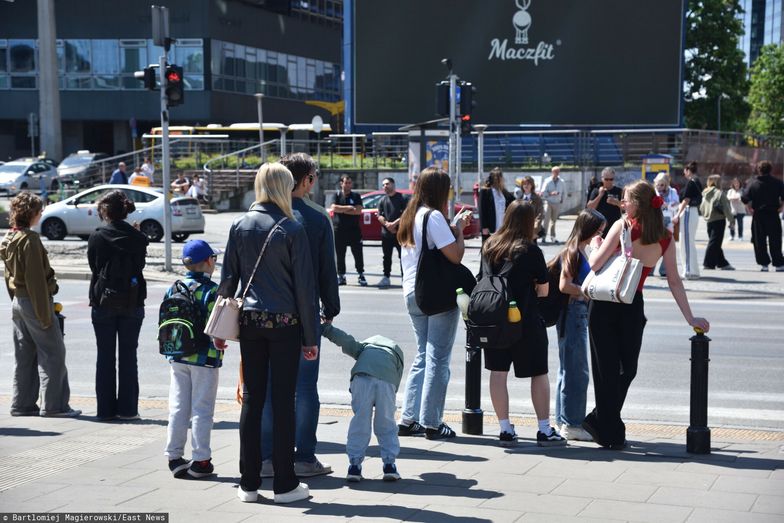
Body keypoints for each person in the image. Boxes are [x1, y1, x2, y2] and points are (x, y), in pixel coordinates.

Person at [583, 180, 710, 449]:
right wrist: (690, 318)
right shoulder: (664, 236)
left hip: (607, 304)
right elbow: (674, 280)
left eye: (626, 199)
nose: (622, 203)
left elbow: (595, 264)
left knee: (612, 369)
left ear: (638, 204)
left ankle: (601, 422)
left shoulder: (622, 226)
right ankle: (609, 427)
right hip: (630, 304)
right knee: (624, 369)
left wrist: (595, 244)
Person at [218, 162, 317, 504]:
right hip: (285, 324)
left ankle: (248, 483)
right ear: (285, 188)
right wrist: (311, 338)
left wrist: (218, 326)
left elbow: (228, 280)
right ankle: (285, 484)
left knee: (253, 399)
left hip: (249, 322)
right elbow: (305, 289)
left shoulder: (239, 224)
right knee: (283, 401)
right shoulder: (292, 228)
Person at [260, 153, 340, 480]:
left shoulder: (263, 215)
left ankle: (265, 458)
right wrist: (330, 309)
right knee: (305, 387)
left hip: (264, 315)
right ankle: (304, 457)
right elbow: (326, 273)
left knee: (265, 388)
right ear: (306, 180)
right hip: (306, 316)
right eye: (314, 176)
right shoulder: (317, 219)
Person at [480, 200, 567, 447]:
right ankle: (543, 429)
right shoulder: (529, 250)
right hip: (525, 320)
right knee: (538, 372)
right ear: (530, 221)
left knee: (498, 373)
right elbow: (543, 290)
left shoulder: (490, 245)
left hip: (494, 320)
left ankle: (505, 428)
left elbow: (482, 279)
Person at [397, 167, 471, 440]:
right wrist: (460, 230)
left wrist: (452, 228)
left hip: (411, 292)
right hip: (436, 294)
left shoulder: (410, 215)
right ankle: (432, 422)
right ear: (441, 191)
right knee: (438, 358)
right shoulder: (434, 215)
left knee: (422, 356)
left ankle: (408, 418)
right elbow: (454, 256)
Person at [1, 193, 80, 418]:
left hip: (18, 301)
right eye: (39, 210)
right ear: (32, 213)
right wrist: (44, 314)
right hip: (35, 302)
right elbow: (36, 279)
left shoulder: (10, 237)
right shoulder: (31, 240)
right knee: (53, 353)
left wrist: (17, 300)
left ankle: (22, 404)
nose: (41, 213)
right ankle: (55, 406)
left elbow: (9, 275)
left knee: (24, 356)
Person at [163, 240, 223, 479]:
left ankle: (174, 457)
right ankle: (201, 460)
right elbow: (217, 327)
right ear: (208, 261)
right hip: (204, 357)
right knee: (202, 409)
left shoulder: (174, 287)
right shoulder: (212, 290)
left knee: (178, 407)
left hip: (177, 354)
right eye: (214, 259)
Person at [88, 190, 149, 421]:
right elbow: (140, 265)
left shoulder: (98, 235)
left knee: (104, 356)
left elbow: (95, 267)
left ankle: (104, 410)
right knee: (128, 355)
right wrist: (135, 234)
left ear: (105, 210)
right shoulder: (138, 237)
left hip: (103, 301)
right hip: (133, 301)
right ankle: (128, 410)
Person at [321, 321, 404, 483]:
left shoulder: (364, 348)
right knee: (386, 422)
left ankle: (354, 467)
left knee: (360, 422)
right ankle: (389, 465)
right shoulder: (395, 353)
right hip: (387, 381)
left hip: (362, 378)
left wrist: (325, 329)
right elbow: (396, 379)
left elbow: (345, 340)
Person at [554, 209, 607, 441]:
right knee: (577, 371)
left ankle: (562, 420)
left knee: (567, 369)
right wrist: (585, 292)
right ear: (588, 228)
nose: (600, 233)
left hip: (573, 314)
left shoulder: (580, 249)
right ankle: (572, 423)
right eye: (598, 229)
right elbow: (564, 285)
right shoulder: (574, 251)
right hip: (574, 313)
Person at [741, 161, 784, 271]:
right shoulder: (777, 182)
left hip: (758, 215)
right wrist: (782, 207)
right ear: (770, 169)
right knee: (775, 240)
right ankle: (779, 264)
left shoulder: (752, 183)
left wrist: (748, 208)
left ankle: (764, 264)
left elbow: (744, 198)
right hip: (773, 214)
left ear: (759, 170)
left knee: (759, 240)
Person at [330, 175, 366, 286]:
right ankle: (341, 276)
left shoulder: (356, 196)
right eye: (346, 183)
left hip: (354, 231)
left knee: (358, 254)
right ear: (341, 183)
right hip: (339, 230)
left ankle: (361, 274)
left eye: (350, 183)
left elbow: (358, 211)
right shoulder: (336, 195)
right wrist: (349, 208)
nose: (348, 185)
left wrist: (342, 210)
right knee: (340, 254)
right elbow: (334, 208)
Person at [377, 177, 408, 288]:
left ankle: (405, 278)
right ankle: (386, 277)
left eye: (387, 184)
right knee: (386, 257)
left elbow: (406, 214)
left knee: (403, 256)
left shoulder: (402, 198)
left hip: (400, 234)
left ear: (393, 184)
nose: (385, 186)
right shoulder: (382, 200)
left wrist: (394, 224)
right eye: (383, 185)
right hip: (386, 234)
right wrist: (387, 225)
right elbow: (379, 215)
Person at [674, 161, 703, 280]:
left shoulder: (691, 183)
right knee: (688, 242)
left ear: (687, 170)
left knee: (686, 243)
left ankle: (689, 270)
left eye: (684, 171)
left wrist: (677, 215)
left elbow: (686, 200)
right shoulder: (697, 182)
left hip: (688, 212)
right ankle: (692, 270)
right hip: (693, 212)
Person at [700, 175, 735, 271]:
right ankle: (708, 263)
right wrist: (731, 221)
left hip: (709, 220)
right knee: (714, 243)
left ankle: (722, 263)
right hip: (719, 220)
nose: (723, 182)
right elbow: (726, 208)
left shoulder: (705, 192)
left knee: (715, 242)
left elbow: (702, 207)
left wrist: (706, 215)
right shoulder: (719, 193)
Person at [653, 172, 680, 277]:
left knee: (668, 245)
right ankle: (650, 268)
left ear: (666, 184)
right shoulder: (653, 192)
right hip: (656, 221)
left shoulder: (672, 192)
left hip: (669, 221)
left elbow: (676, 204)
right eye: (658, 184)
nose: (659, 187)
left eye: (662, 185)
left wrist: (669, 206)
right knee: (655, 245)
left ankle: (664, 270)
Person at [479, 167, 514, 241]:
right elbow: (482, 210)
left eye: (499, 177)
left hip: (503, 227)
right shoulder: (485, 191)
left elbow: (513, 203)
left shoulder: (504, 192)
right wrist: (484, 226)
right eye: (496, 177)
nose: (498, 180)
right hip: (490, 227)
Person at [586, 167, 623, 237]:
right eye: (606, 179)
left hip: (614, 225)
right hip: (599, 226)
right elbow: (589, 207)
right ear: (602, 179)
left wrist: (616, 202)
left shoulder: (619, 191)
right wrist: (600, 196)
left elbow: (625, 207)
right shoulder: (596, 190)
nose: (609, 181)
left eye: (611, 179)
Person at [515, 176, 545, 240]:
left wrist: (535, 231)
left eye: (528, 184)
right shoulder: (519, 198)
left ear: (532, 185)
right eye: (524, 184)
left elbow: (539, 215)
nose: (526, 186)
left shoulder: (537, 199)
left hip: (532, 229)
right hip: (520, 230)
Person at [541, 166, 566, 243]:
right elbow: (543, 192)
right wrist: (551, 193)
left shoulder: (562, 181)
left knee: (554, 221)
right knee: (546, 221)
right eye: (555, 172)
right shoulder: (547, 181)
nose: (557, 173)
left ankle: (553, 237)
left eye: (558, 172)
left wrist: (562, 199)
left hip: (557, 203)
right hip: (548, 202)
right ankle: (543, 236)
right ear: (552, 172)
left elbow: (564, 192)